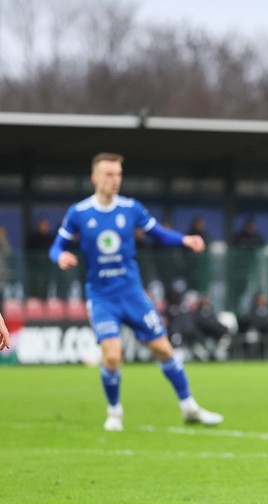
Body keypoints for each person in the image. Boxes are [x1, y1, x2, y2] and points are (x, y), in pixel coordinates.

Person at [49, 152, 224, 431]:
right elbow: (56, 246)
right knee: (113, 355)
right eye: (108, 174)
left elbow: (158, 233)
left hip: (132, 294)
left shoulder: (131, 208)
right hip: (102, 296)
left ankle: (189, 407)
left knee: (164, 349)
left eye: (118, 174)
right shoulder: (79, 213)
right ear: (95, 177)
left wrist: (184, 239)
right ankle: (114, 413)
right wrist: (59, 257)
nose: (114, 180)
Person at [25, 216, 56, 299]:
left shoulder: (50, 238)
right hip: (35, 270)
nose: (44, 226)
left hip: (47, 269)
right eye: (43, 224)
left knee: (46, 288)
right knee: (36, 287)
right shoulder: (33, 238)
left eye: (46, 224)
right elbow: (28, 251)